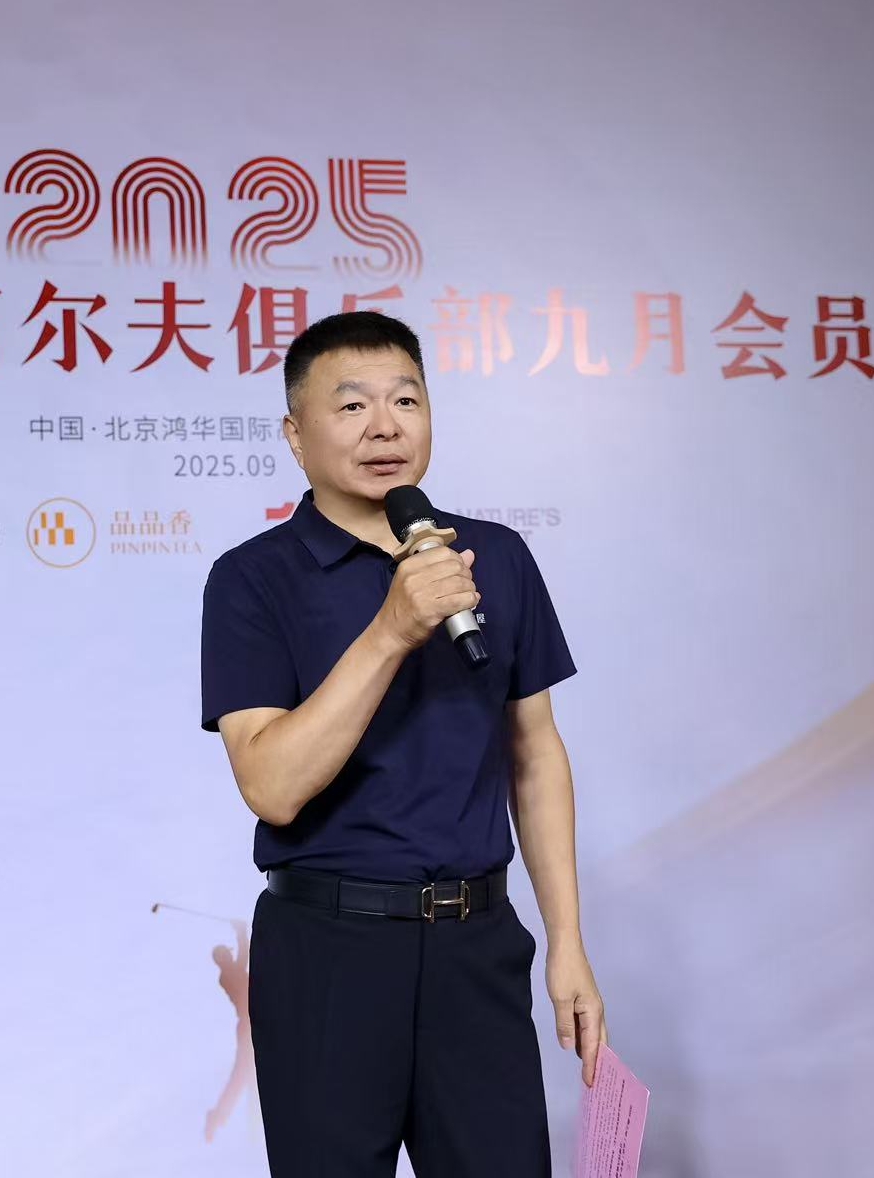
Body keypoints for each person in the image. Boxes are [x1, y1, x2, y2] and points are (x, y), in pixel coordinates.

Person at [199, 311, 605, 1176]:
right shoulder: (252, 578)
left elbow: (535, 753)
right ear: (295, 435)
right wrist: (392, 627)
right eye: (352, 406)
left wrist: (566, 937)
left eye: (406, 400)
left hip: (477, 941)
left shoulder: (494, 556)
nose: (385, 426)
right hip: (328, 951)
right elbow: (271, 785)